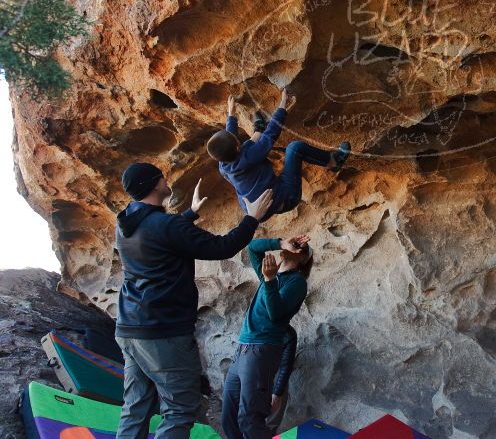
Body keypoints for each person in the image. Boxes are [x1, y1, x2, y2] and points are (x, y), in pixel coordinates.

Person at [114, 162, 274, 439]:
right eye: (161, 176)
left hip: (130, 327)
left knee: (136, 406)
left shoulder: (126, 223)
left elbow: (160, 236)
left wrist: (190, 213)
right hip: (163, 332)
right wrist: (252, 218)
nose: (166, 179)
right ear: (154, 184)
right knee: (179, 409)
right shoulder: (167, 224)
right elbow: (221, 247)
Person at [221, 234, 313, 438]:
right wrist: (280, 243)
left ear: (303, 259)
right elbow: (252, 247)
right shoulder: (269, 275)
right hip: (243, 348)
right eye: (295, 243)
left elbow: (275, 314)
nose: (295, 247)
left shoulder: (297, 282)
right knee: (229, 415)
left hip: (262, 348)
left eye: (300, 247)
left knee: (250, 419)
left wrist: (271, 280)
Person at [206, 91, 351, 221]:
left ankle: (258, 129)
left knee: (248, 148)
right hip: (287, 197)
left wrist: (231, 113)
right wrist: (282, 106)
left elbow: (230, 140)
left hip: (260, 207)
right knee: (294, 148)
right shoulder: (247, 156)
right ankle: (333, 162)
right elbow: (270, 136)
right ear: (236, 146)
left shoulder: (223, 165)